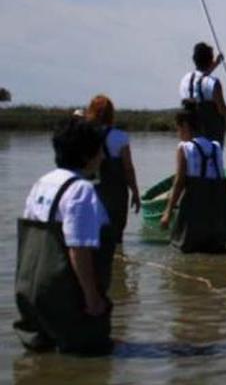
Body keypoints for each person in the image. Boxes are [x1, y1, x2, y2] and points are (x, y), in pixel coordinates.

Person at [14, 118, 114, 355]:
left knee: (41, 356)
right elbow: (78, 249)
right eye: (100, 150)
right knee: (90, 357)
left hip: (30, 291)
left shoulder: (42, 182)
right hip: (65, 295)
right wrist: (92, 298)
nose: (104, 157)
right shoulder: (82, 190)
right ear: (87, 154)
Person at [160, 110, 226, 254]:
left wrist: (168, 212)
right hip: (217, 211)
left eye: (178, 129)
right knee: (215, 250)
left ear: (185, 126)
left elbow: (179, 182)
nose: (178, 133)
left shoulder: (184, 147)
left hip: (196, 208)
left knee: (184, 249)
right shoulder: (216, 146)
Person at [84, 95, 140, 243]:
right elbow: (128, 168)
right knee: (116, 233)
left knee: (93, 232)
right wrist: (135, 191)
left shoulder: (85, 134)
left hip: (91, 189)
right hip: (117, 191)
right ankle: (117, 261)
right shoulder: (120, 137)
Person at [178, 42, 226, 147]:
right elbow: (222, 110)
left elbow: (201, 79)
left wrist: (216, 63)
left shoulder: (185, 80)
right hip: (209, 135)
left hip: (189, 136)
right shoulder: (213, 83)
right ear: (209, 60)